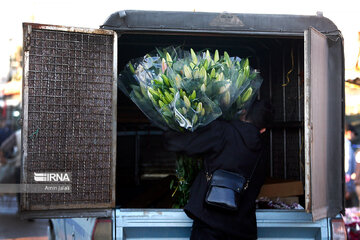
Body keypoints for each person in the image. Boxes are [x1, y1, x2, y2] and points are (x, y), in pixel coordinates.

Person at [163, 99, 273, 240]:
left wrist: (168, 125)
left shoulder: (223, 131)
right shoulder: (263, 153)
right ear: (263, 129)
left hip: (209, 225)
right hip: (242, 230)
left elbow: (183, 144)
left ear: (243, 113)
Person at [345, 123, 358, 207]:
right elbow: (346, 168)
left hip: (348, 185)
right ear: (349, 132)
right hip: (346, 186)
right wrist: (346, 189)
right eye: (354, 134)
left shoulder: (348, 144)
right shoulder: (345, 145)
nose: (354, 137)